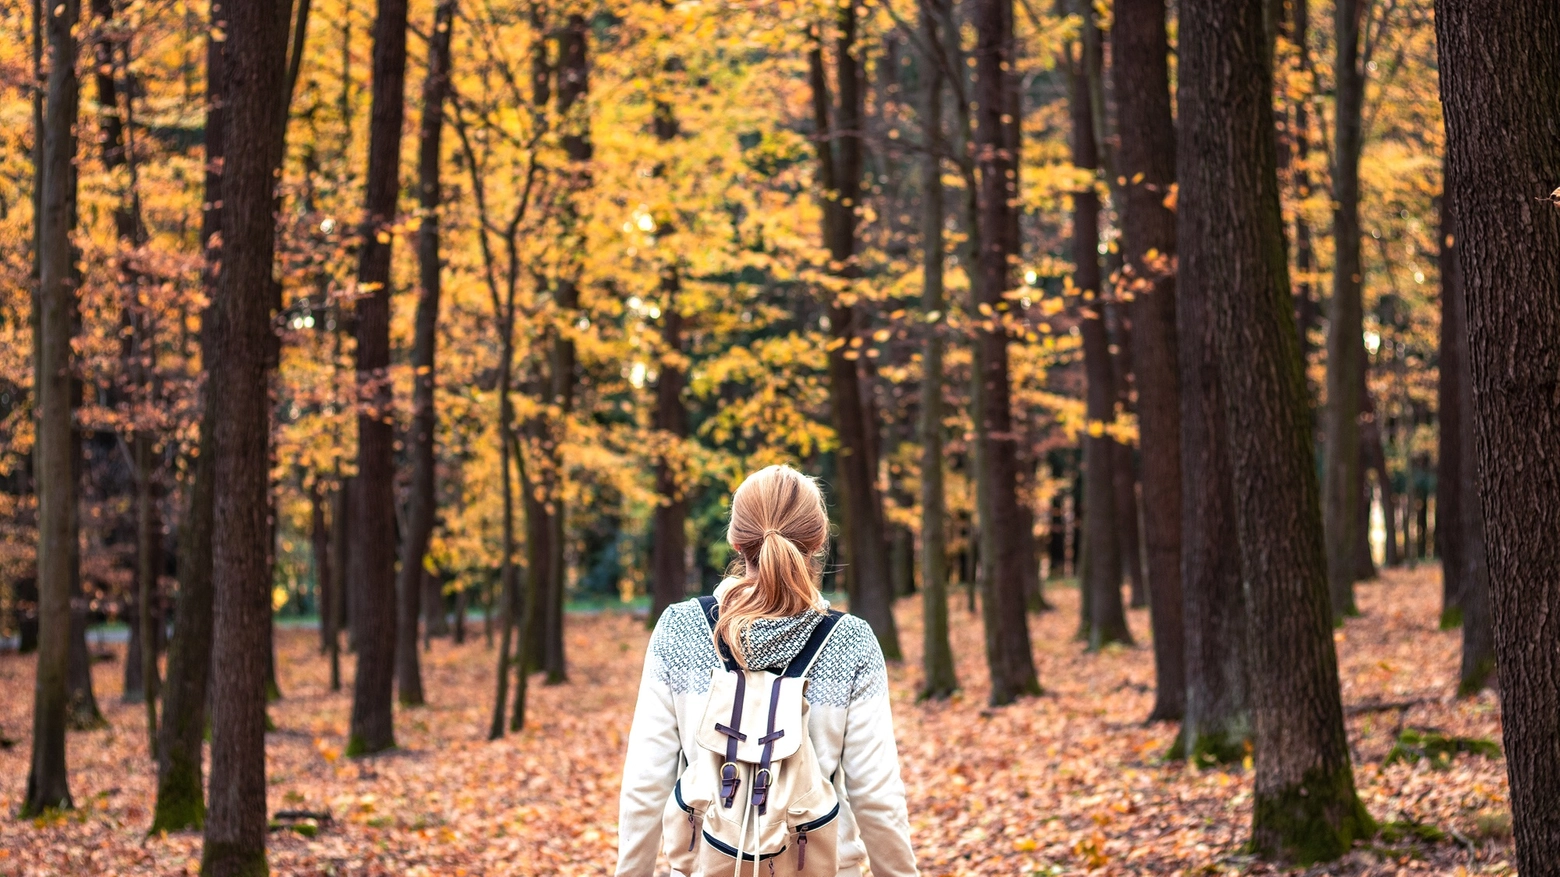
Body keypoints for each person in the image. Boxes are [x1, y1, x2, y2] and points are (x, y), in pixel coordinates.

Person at [615, 465, 918, 877]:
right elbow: (877, 796)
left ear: (736, 541)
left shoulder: (679, 629)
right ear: (818, 542)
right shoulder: (851, 642)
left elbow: (645, 786)